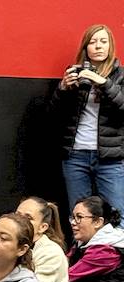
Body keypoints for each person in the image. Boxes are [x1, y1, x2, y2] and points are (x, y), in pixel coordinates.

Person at [50, 24, 124, 216]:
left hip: (110, 158)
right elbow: (55, 114)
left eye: (103, 41)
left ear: (110, 46)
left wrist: (104, 83)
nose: (98, 46)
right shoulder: (75, 73)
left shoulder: (120, 76)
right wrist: (63, 89)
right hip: (75, 155)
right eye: (93, 42)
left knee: (116, 215)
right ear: (85, 48)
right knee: (78, 215)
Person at [66, 195, 124, 282]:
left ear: (98, 222)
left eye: (79, 217)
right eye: (73, 217)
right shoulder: (81, 244)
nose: (73, 222)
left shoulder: (106, 250)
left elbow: (67, 276)